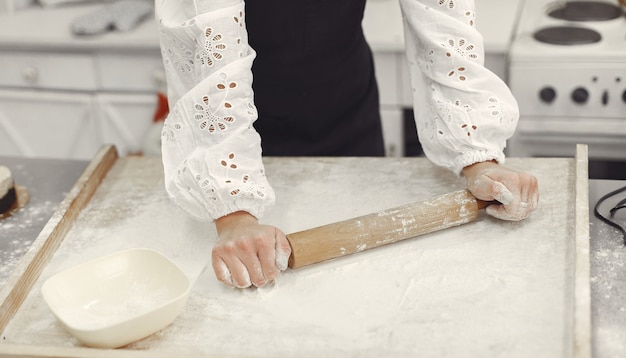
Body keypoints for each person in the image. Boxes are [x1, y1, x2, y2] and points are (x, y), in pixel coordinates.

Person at [155, 0, 539, 290]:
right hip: (238, 127)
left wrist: (479, 158)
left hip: (346, 102)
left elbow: (443, 23)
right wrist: (233, 212)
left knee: (363, 285)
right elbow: (206, 48)